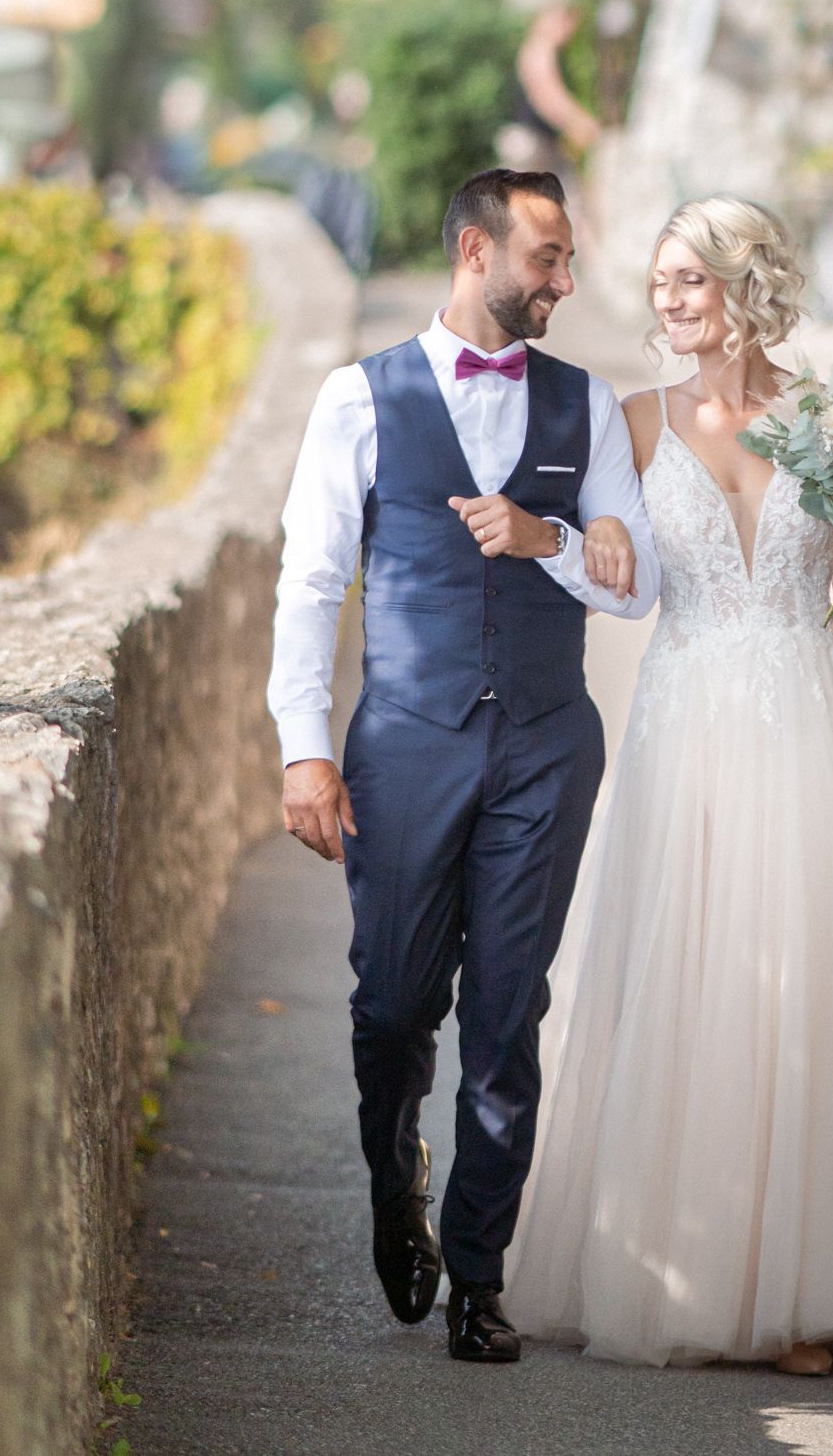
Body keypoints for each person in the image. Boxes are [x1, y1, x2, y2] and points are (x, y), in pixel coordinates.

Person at [508, 195, 833, 1370]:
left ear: (745, 284)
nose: (668, 300)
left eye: (689, 280)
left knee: (810, 972)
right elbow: (625, 585)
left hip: (812, 699)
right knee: (696, 965)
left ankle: (803, 1288)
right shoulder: (631, 420)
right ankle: (697, 1276)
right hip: (689, 704)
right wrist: (551, 544)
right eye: (659, 282)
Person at [268, 168, 658, 1365]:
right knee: (392, 1008)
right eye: (546, 258)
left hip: (547, 745)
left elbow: (632, 581)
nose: (564, 281)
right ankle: (400, 1181)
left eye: (568, 259)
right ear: (476, 250)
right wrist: (305, 752)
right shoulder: (360, 396)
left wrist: (548, 539)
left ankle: (481, 1278)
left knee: (505, 1017)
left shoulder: (584, 406)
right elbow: (312, 582)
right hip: (407, 747)